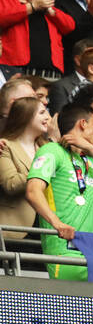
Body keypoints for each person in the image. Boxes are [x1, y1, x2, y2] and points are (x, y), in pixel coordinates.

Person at [25, 104, 93, 280]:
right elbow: (32, 191)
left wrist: (92, 150)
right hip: (64, 253)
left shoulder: (88, 160)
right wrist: (57, 224)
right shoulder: (51, 151)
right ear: (83, 124)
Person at [1, 0, 77, 78]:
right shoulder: (4, 1)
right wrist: (32, 6)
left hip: (51, 73)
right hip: (17, 72)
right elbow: (3, 16)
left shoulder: (43, 6)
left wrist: (51, 11)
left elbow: (70, 26)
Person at [0, 96, 51, 237]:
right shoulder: (5, 146)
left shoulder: (47, 148)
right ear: (25, 116)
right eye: (42, 113)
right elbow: (11, 184)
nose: (48, 117)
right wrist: (41, 171)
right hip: (15, 228)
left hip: (46, 227)